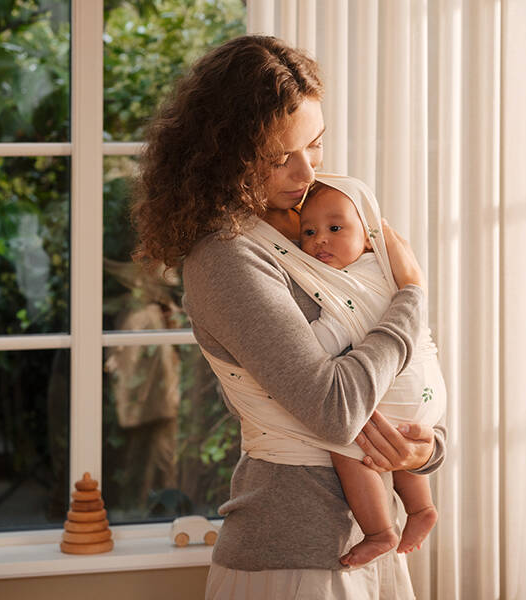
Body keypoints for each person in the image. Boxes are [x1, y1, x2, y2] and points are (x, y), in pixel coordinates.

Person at [131, 35, 447, 600]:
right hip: (293, 560)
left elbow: (393, 378)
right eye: (280, 158)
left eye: (315, 146)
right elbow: (334, 409)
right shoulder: (226, 257)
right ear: (226, 154)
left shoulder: (318, 221)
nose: (305, 174)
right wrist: (413, 297)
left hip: (371, 548)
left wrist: (423, 450)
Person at [291, 177, 445, 566]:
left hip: (399, 381)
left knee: (349, 448)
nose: (319, 240)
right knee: (398, 441)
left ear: (370, 236)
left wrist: (301, 344)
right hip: (428, 385)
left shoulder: (349, 279)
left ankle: (379, 531)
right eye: (308, 231)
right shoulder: (391, 270)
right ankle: (421, 507)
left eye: (335, 228)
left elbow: (332, 333)